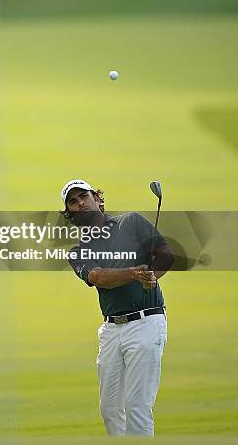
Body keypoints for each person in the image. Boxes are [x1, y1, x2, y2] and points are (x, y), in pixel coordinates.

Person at [62, 178, 174, 437]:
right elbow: (99, 277)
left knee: (137, 406)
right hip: (112, 330)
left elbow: (166, 254)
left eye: (84, 196)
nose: (80, 203)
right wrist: (136, 273)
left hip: (146, 323)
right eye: (73, 202)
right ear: (70, 214)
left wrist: (152, 275)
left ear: (97, 199)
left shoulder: (131, 222)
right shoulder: (78, 251)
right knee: (110, 409)